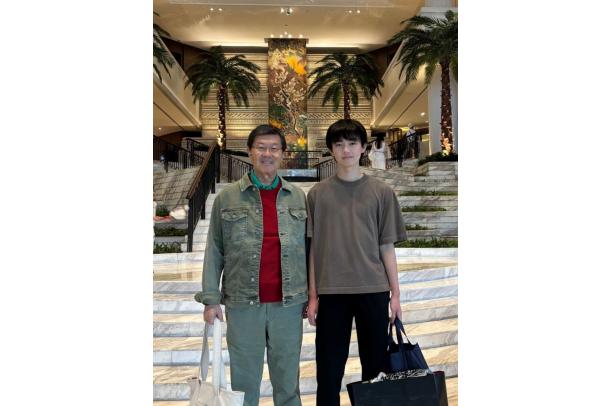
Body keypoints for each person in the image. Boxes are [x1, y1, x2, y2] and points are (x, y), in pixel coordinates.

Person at [196, 124, 308, 406]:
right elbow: (215, 250)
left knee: (288, 382)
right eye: (261, 147)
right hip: (243, 304)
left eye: (274, 148)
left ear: (282, 154)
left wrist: (313, 296)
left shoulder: (297, 197)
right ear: (250, 152)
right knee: (245, 385)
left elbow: (309, 251)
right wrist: (211, 299)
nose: (267, 154)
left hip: (288, 305)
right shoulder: (227, 197)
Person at [306, 119, 407, 406]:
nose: (346, 150)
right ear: (331, 150)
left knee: (375, 369)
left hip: (373, 289)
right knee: (328, 370)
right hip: (331, 293)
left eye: (352, 143)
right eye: (339, 144)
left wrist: (396, 294)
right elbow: (313, 248)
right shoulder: (317, 194)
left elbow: (386, 246)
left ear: (364, 148)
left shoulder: (381, 192)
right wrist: (312, 295)